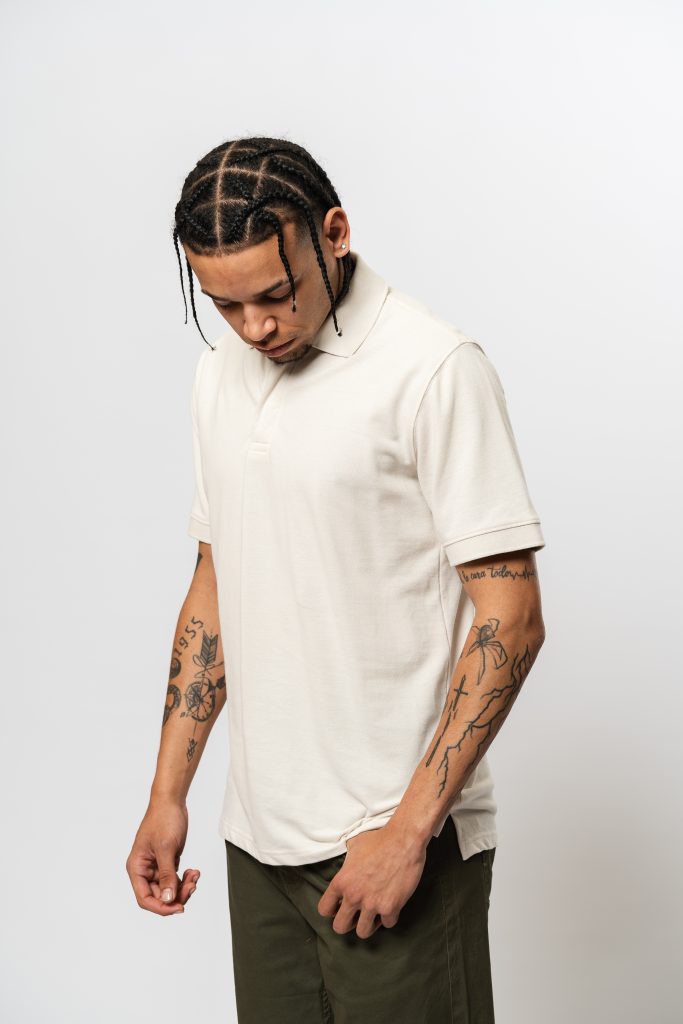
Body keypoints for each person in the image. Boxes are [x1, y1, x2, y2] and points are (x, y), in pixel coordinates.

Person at [126, 135, 547, 1023]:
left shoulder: (433, 368)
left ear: (335, 233)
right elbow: (215, 583)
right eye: (224, 304)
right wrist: (168, 795)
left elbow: (509, 616)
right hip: (258, 842)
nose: (255, 328)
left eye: (274, 294)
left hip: (394, 844)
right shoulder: (219, 375)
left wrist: (408, 833)